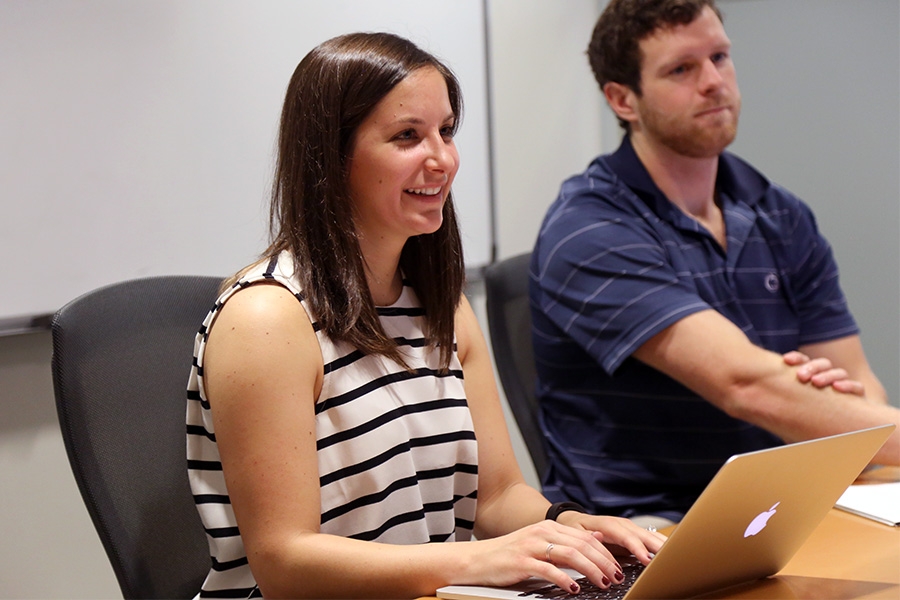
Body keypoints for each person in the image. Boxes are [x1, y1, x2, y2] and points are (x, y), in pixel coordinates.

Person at [185, 32, 663, 599]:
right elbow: (285, 563)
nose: (441, 159)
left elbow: (497, 497)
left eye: (446, 132)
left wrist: (566, 526)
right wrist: (475, 561)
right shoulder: (266, 317)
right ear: (331, 157)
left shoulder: (443, 308)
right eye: (407, 136)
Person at [529, 0, 900, 526]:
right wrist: (796, 397)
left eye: (720, 58)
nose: (713, 82)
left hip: (776, 508)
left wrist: (823, 401)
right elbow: (744, 385)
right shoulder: (590, 226)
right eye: (682, 68)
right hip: (643, 530)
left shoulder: (779, 212)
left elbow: (859, 384)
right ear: (622, 99)